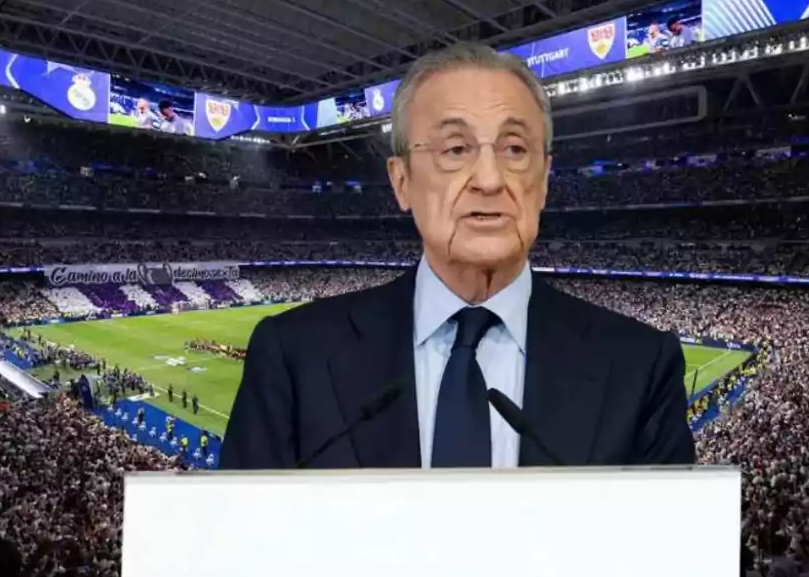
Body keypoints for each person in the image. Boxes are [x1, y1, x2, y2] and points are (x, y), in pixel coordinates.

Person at [222, 42, 695, 470]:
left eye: (514, 148)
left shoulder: (640, 367)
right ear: (401, 180)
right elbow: (238, 552)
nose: (489, 179)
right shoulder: (292, 357)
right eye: (455, 148)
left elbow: (670, 560)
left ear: (545, 179)